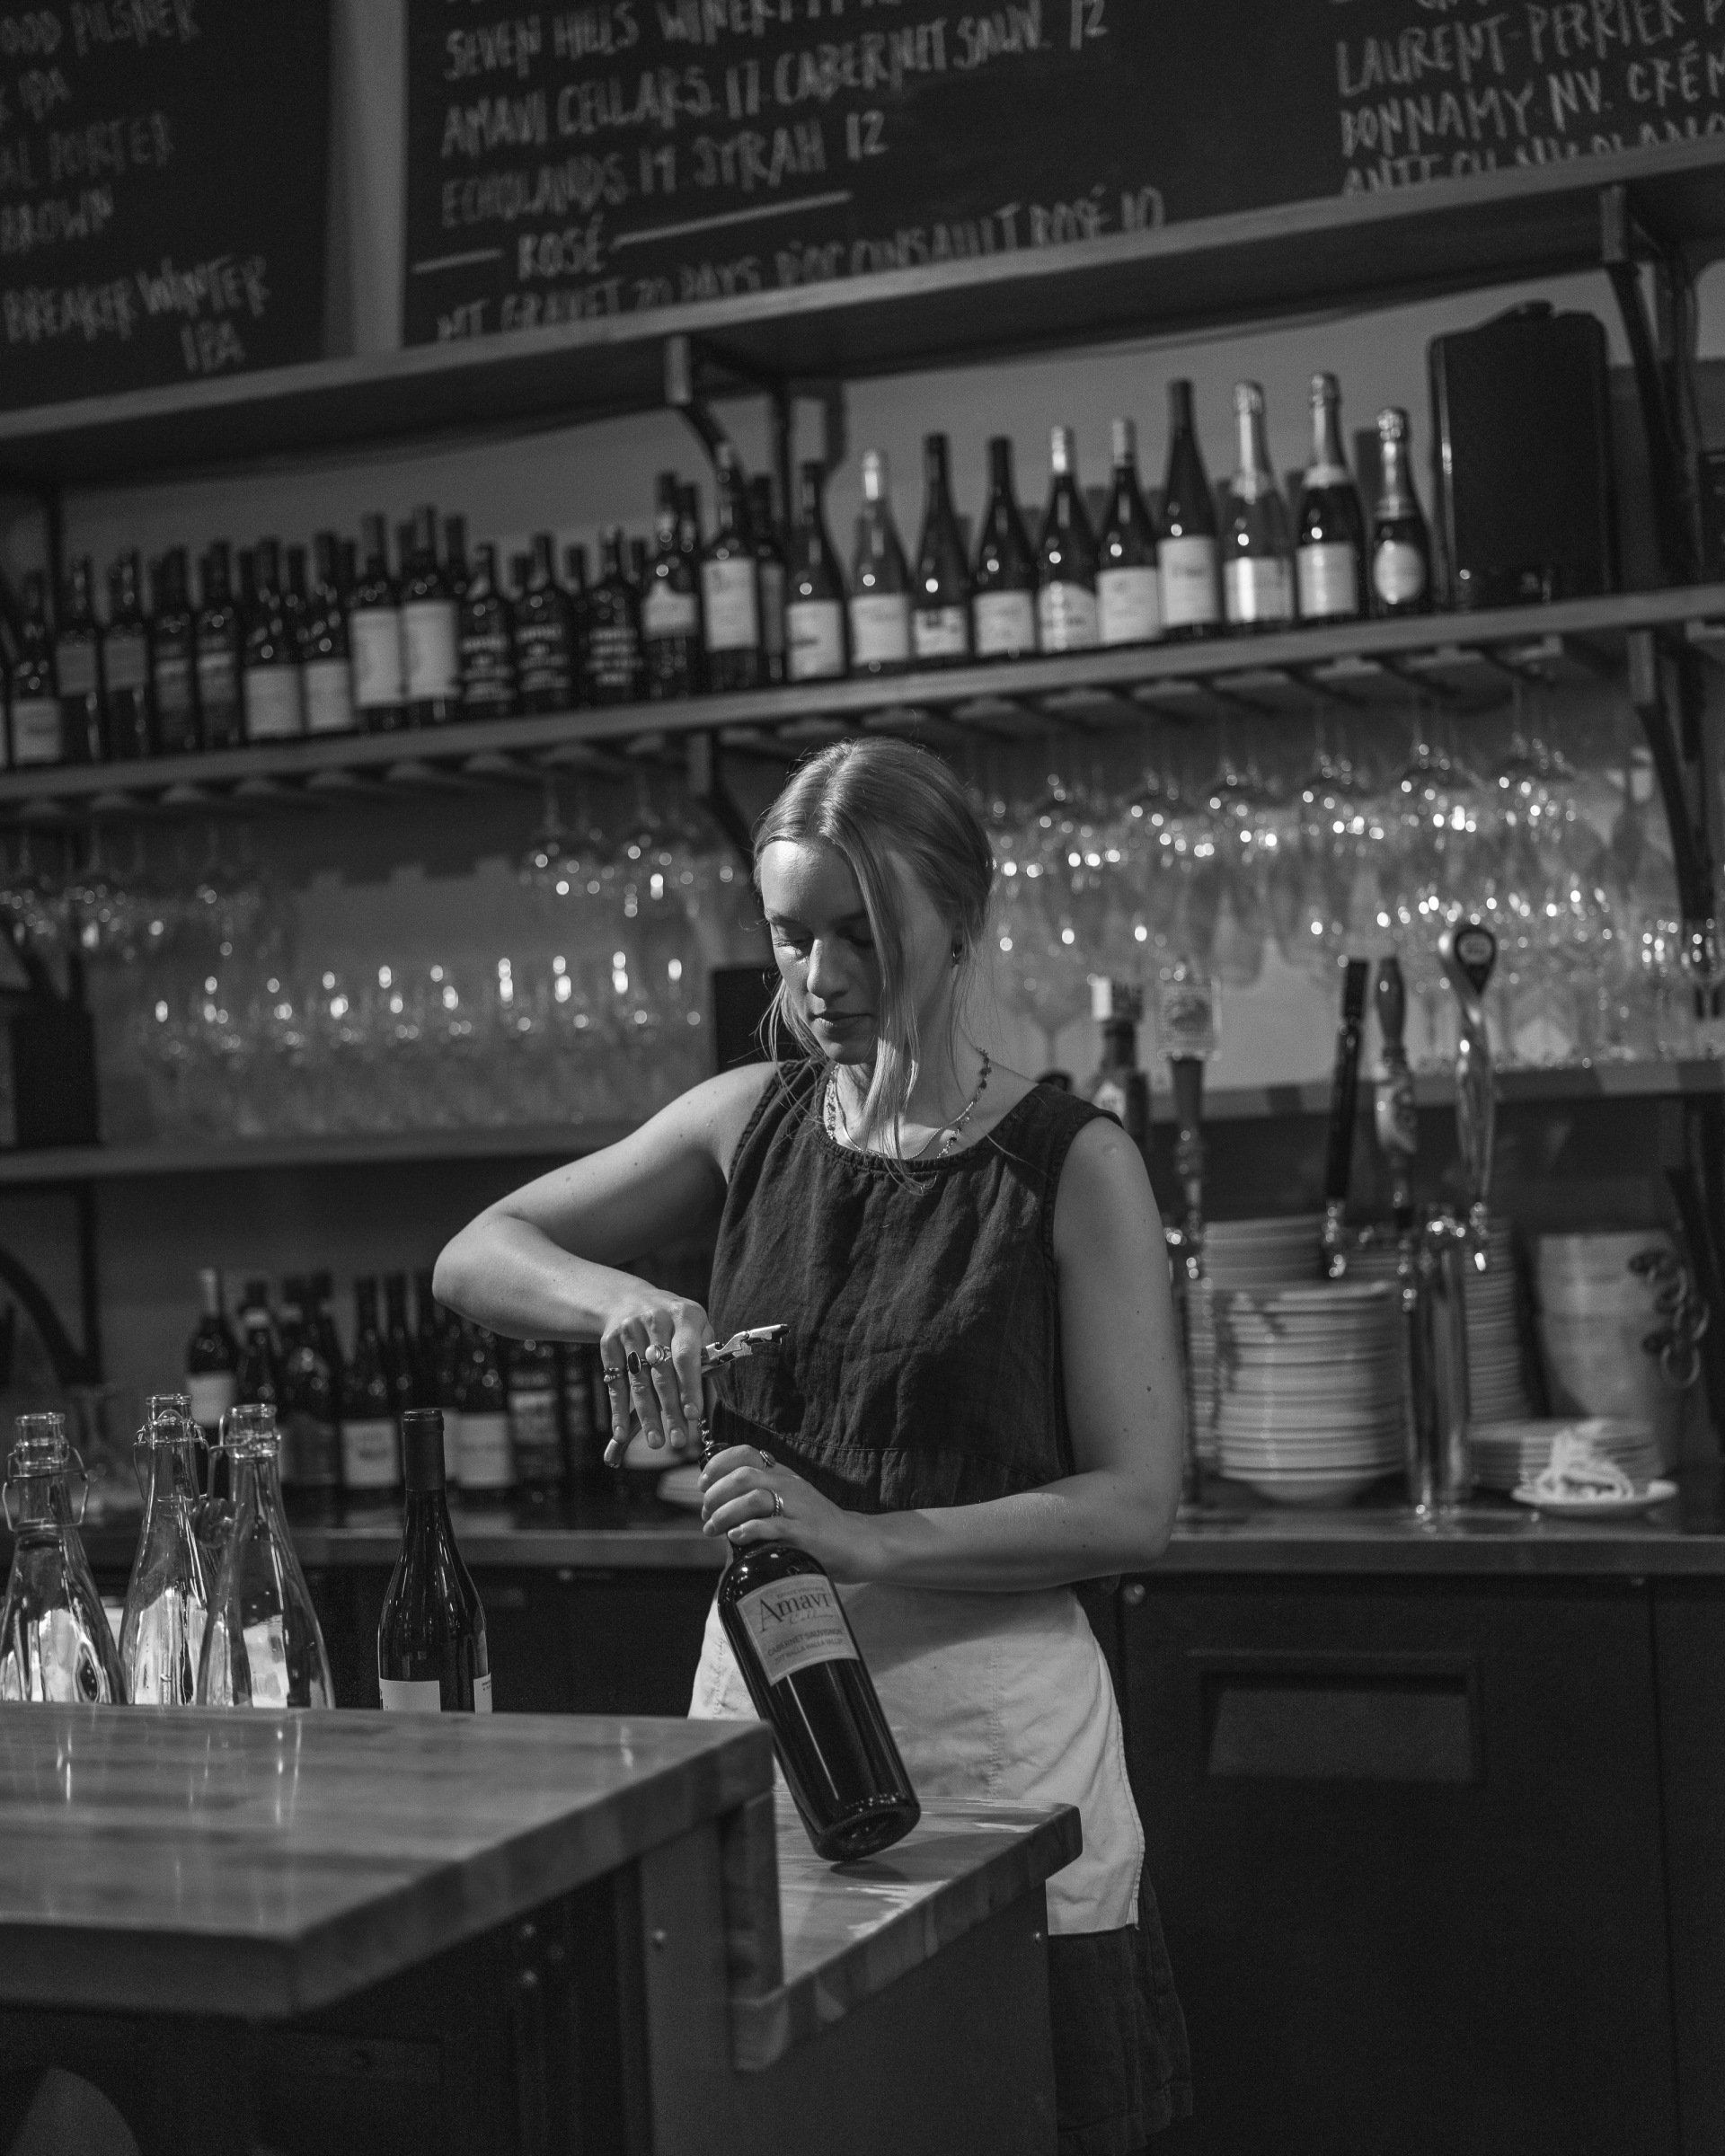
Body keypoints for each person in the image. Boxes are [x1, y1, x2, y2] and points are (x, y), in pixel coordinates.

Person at [435, 737, 1193, 2151]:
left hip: (1002, 1777)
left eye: (863, 935)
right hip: (766, 1754)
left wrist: (865, 1538)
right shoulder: (750, 1119)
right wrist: (634, 1301)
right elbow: (478, 1255)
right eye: (793, 940)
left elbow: (1138, 1508)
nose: (822, 978)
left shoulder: (1069, 1165)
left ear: (960, 920)